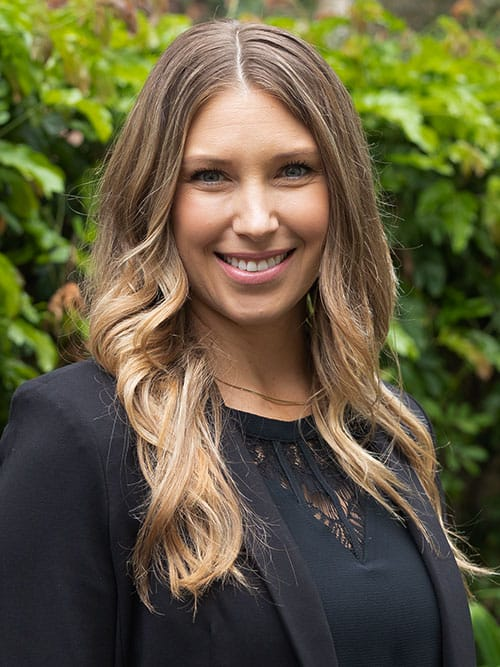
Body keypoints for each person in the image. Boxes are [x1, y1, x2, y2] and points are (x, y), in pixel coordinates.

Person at [0, 19, 477, 667]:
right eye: (211, 176)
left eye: (293, 169)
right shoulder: (80, 438)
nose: (256, 220)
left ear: (340, 191)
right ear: (155, 197)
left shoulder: (390, 432)